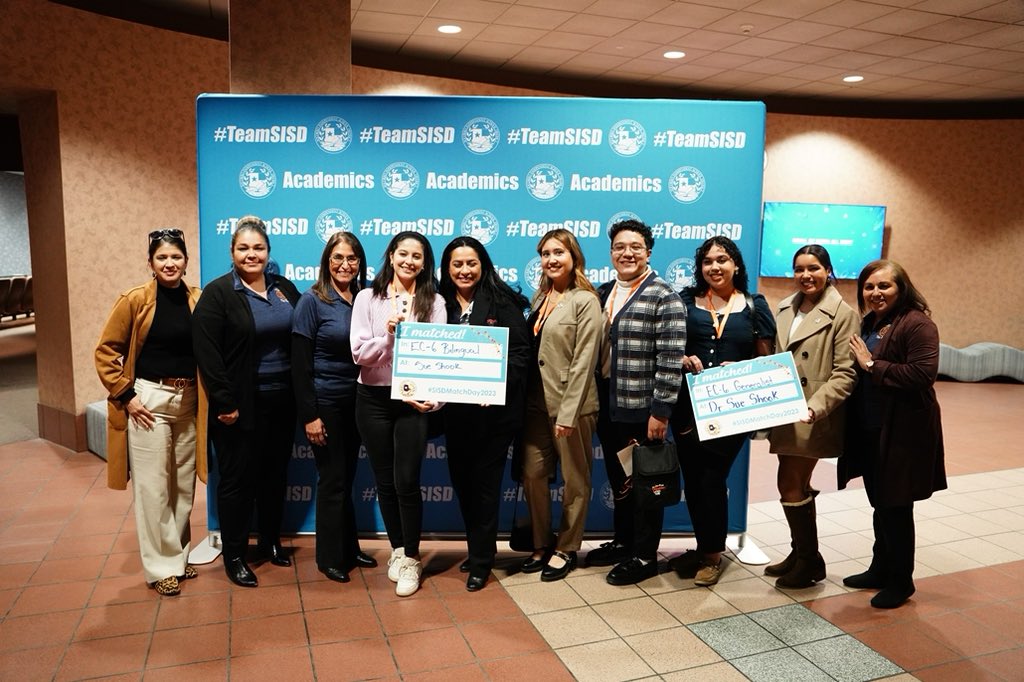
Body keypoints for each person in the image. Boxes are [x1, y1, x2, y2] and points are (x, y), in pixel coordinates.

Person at [95, 228, 206, 597]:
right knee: (153, 487)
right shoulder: (135, 300)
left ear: (186, 261)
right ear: (150, 263)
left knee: (182, 485)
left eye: (176, 257)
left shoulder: (197, 299)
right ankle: (161, 568)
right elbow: (106, 351)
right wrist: (127, 396)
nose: (170, 263)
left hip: (188, 399)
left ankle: (176, 555)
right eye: (162, 258)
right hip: (148, 401)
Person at [192, 216, 301, 588]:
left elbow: (303, 333)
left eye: (258, 248)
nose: (251, 254)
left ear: (268, 252)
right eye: (244, 248)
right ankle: (236, 554)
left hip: (282, 402)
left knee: (274, 476)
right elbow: (208, 355)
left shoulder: (283, 288)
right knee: (238, 481)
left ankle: (270, 541)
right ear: (232, 252)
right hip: (239, 408)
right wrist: (224, 401)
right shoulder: (218, 293)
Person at [665, 236, 776, 586]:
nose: (715, 267)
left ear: (736, 265)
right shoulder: (684, 302)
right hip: (688, 408)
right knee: (695, 483)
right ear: (701, 267)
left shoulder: (754, 305)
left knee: (712, 479)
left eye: (722, 260)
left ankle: (712, 556)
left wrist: (741, 369)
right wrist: (681, 359)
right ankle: (704, 546)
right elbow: (669, 346)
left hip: (732, 410)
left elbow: (767, 359)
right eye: (708, 261)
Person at [586, 220, 686, 586]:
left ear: (648, 252)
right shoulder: (603, 293)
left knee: (646, 484)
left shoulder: (663, 295)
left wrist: (660, 411)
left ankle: (644, 556)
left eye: (636, 247)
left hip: (642, 412)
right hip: (609, 407)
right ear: (611, 252)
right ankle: (625, 542)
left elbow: (670, 359)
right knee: (621, 483)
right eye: (619, 247)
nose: (627, 253)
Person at [841, 259, 946, 609]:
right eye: (869, 287)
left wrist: (871, 365)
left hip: (903, 432)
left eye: (884, 286)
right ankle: (880, 568)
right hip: (872, 428)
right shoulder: (871, 322)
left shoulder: (918, 324)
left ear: (901, 288)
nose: (875, 293)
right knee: (880, 503)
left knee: (897, 505)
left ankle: (901, 581)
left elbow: (922, 374)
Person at [351, 231, 446, 597]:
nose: (409, 261)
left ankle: (411, 557)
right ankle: (397, 550)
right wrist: (390, 336)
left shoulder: (434, 302)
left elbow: (438, 359)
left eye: (417, 256)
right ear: (391, 256)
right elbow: (359, 354)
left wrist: (433, 401)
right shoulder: (367, 298)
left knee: (407, 480)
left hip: (411, 404)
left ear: (425, 262)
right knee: (385, 481)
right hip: (372, 398)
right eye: (403, 253)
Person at [438, 236, 531, 592]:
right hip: (453, 414)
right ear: (447, 268)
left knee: (486, 487)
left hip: (493, 415)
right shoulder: (436, 304)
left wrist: (493, 387)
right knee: (462, 483)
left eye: (471, 263)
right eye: (457, 264)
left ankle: (481, 562)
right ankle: (480, 547)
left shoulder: (502, 302)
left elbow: (521, 355)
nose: (465, 270)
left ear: (483, 265)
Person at [765, 245, 859, 588]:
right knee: (792, 484)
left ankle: (809, 561)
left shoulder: (843, 314)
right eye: (800, 268)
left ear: (828, 270)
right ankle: (801, 553)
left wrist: (815, 407)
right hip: (786, 411)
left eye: (814, 268)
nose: (806, 275)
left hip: (815, 415)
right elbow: (776, 361)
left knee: (789, 484)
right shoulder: (785, 307)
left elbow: (845, 373)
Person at [291, 232, 378, 585]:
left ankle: (349, 547)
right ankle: (329, 557)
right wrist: (310, 415)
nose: (345, 264)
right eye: (338, 257)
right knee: (332, 480)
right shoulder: (312, 301)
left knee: (348, 478)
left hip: (358, 399)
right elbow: (300, 365)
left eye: (352, 258)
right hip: (325, 402)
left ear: (361, 262)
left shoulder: (366, 297)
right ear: (327, 260)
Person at [520, 229, 603, 582]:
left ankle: (567, 547)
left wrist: (568, 414)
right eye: (545, 253)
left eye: (559, 252)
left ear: (574, 257)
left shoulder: (585, 299)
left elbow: (585, 360)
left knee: (575, 480)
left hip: (573, 407)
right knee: (533, 473)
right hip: (535, 406)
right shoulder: (540, 297)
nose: (552, 259)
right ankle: (541, 542)